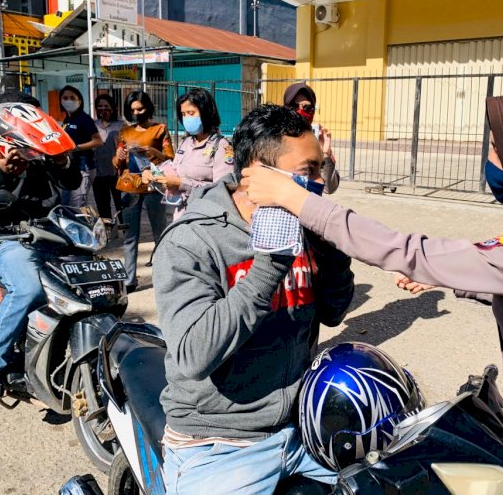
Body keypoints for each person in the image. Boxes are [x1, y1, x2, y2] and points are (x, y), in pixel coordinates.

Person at [242, 86, 503, 494]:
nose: (490, 160)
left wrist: (297, 199)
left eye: (498, 148)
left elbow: (410, 250)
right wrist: (455, 281)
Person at [152, 104, 354, 494]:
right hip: (218, 443)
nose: (319, 182)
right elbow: (193, 354)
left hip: (302, 428)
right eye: (308, 171)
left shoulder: (302, 224)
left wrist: (333, 250)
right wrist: (268, 266)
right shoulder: (192, 240)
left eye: (320, 169)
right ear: (260, 173)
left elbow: (333, 311)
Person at [0, 91, 81, 401]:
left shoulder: (37, 155)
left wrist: (62, 162)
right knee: (29, 288)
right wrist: (2, 175)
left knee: (90, 284)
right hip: (4, 240)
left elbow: (72, 183)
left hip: (51, 234)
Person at [113, 91, 175, 293]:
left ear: (148, 107)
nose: (136, 113)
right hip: (129, 188)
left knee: (160, 233)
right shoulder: (125, 132)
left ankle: (162, 275)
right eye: (132, 110)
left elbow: (170, 157)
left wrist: (151, 151)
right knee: (130, 236)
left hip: (153, 186)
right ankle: (130, 279)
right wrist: (119, 155)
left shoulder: (160, 129)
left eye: (140, 109)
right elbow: (117, 164)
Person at [142, 88, 234, 220]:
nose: (186, 119)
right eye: (183, 114)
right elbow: (175, 169)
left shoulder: (221, 146)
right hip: (181, 215)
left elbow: (223, 189)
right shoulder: (186, 142)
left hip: (205, 218)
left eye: (191, 113)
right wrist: (154, 174)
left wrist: (182, 184)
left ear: (205, 113)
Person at [283, 83, 339, 194]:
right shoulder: (273, 137)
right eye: (294, 106)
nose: (299, 112)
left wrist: (325, 154)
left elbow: (328, 188)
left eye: (307, 108)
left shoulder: (317, 141)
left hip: (307, 207)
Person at [59, 85, 103, 207]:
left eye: (72, 98)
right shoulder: (67, 120)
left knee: (77, 204)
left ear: (79, 101)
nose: (68, 101)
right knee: (66, 203)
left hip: (84, 168)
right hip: (70, 167)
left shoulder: (84, 119)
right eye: (65, 98)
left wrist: (76, 148)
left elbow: (98, 141)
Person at [92, 93, 125, 222]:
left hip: (116, 173)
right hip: (98, 173)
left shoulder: (121, 125)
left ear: (112, 108)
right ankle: (108, 232)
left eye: (106, 106)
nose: (103, 109)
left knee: (120, 204)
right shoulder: (93, 125)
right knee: (102, 207)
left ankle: (123, 229)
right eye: (100, 106)